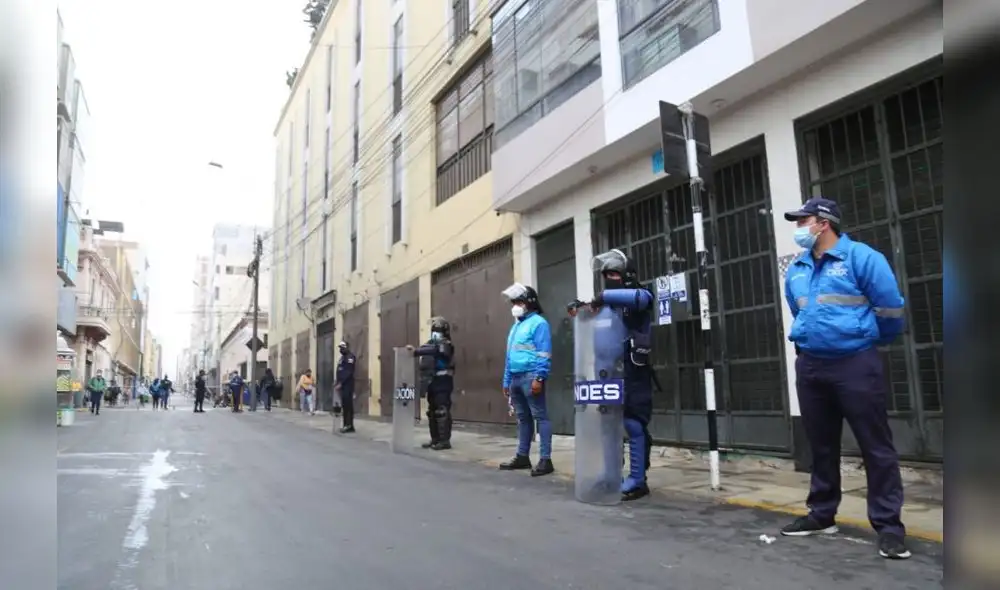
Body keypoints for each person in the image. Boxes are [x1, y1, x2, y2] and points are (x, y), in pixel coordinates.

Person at [780, 197, 910, 560]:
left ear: (823, 223)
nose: (798, 228)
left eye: (803, 221)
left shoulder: (862, 258)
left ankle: (889, 526)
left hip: (855, 364)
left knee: (875, 446)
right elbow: (798, 311)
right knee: (820, 445)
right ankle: (822, 514)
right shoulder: (797, 269)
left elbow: (890, 310)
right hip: (811, 366)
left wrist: (864, 339)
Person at [589, 248, 656, 501]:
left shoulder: (640, 296)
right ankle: (611, 475)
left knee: (633, 423)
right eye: (606, 275)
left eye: (614, 274)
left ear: (627, 275)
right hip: (607, 376)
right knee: (608, 426)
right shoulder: (605, 307)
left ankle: (638, 480)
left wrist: (602, 296)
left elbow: (642, 298)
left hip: (632, 374)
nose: (609, 278)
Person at [498, 283, 554, 477]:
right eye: (513, 302)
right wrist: (506, 380)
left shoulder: (539, 323)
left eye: (518, 302)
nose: (515, 306)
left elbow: (544, 353)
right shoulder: (516, 326)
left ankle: (545, 459)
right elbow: (510, 355)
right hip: (515, 378)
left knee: (540, 417)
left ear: (529, 302)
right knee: (523, 419)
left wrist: (539, 377)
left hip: (531, 376)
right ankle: (522, 456)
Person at [412, 317, 455, 450]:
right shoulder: (429, 344)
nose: (435, 333)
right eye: (434, 330)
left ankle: (444, 440)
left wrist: (416, 351)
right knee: (431, 412)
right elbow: (425, 350)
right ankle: (435, 439)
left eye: (438, 331)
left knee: (441, 410)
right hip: (431, 382)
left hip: (443, 382)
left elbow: (435, 350)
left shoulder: (446, 344)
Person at [334, 342, 356, 433]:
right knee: (344, 406)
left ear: (347, 347)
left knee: (348, 405)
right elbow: (339, 371)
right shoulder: (342, 358)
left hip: (348, 385)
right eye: (340, 348)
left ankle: (349, 425)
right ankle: (345, 424)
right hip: (342, 385)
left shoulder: (350, 357)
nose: (341, 349)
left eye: (342, 347)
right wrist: (337, 382)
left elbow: (348, 372)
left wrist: (341, 383)